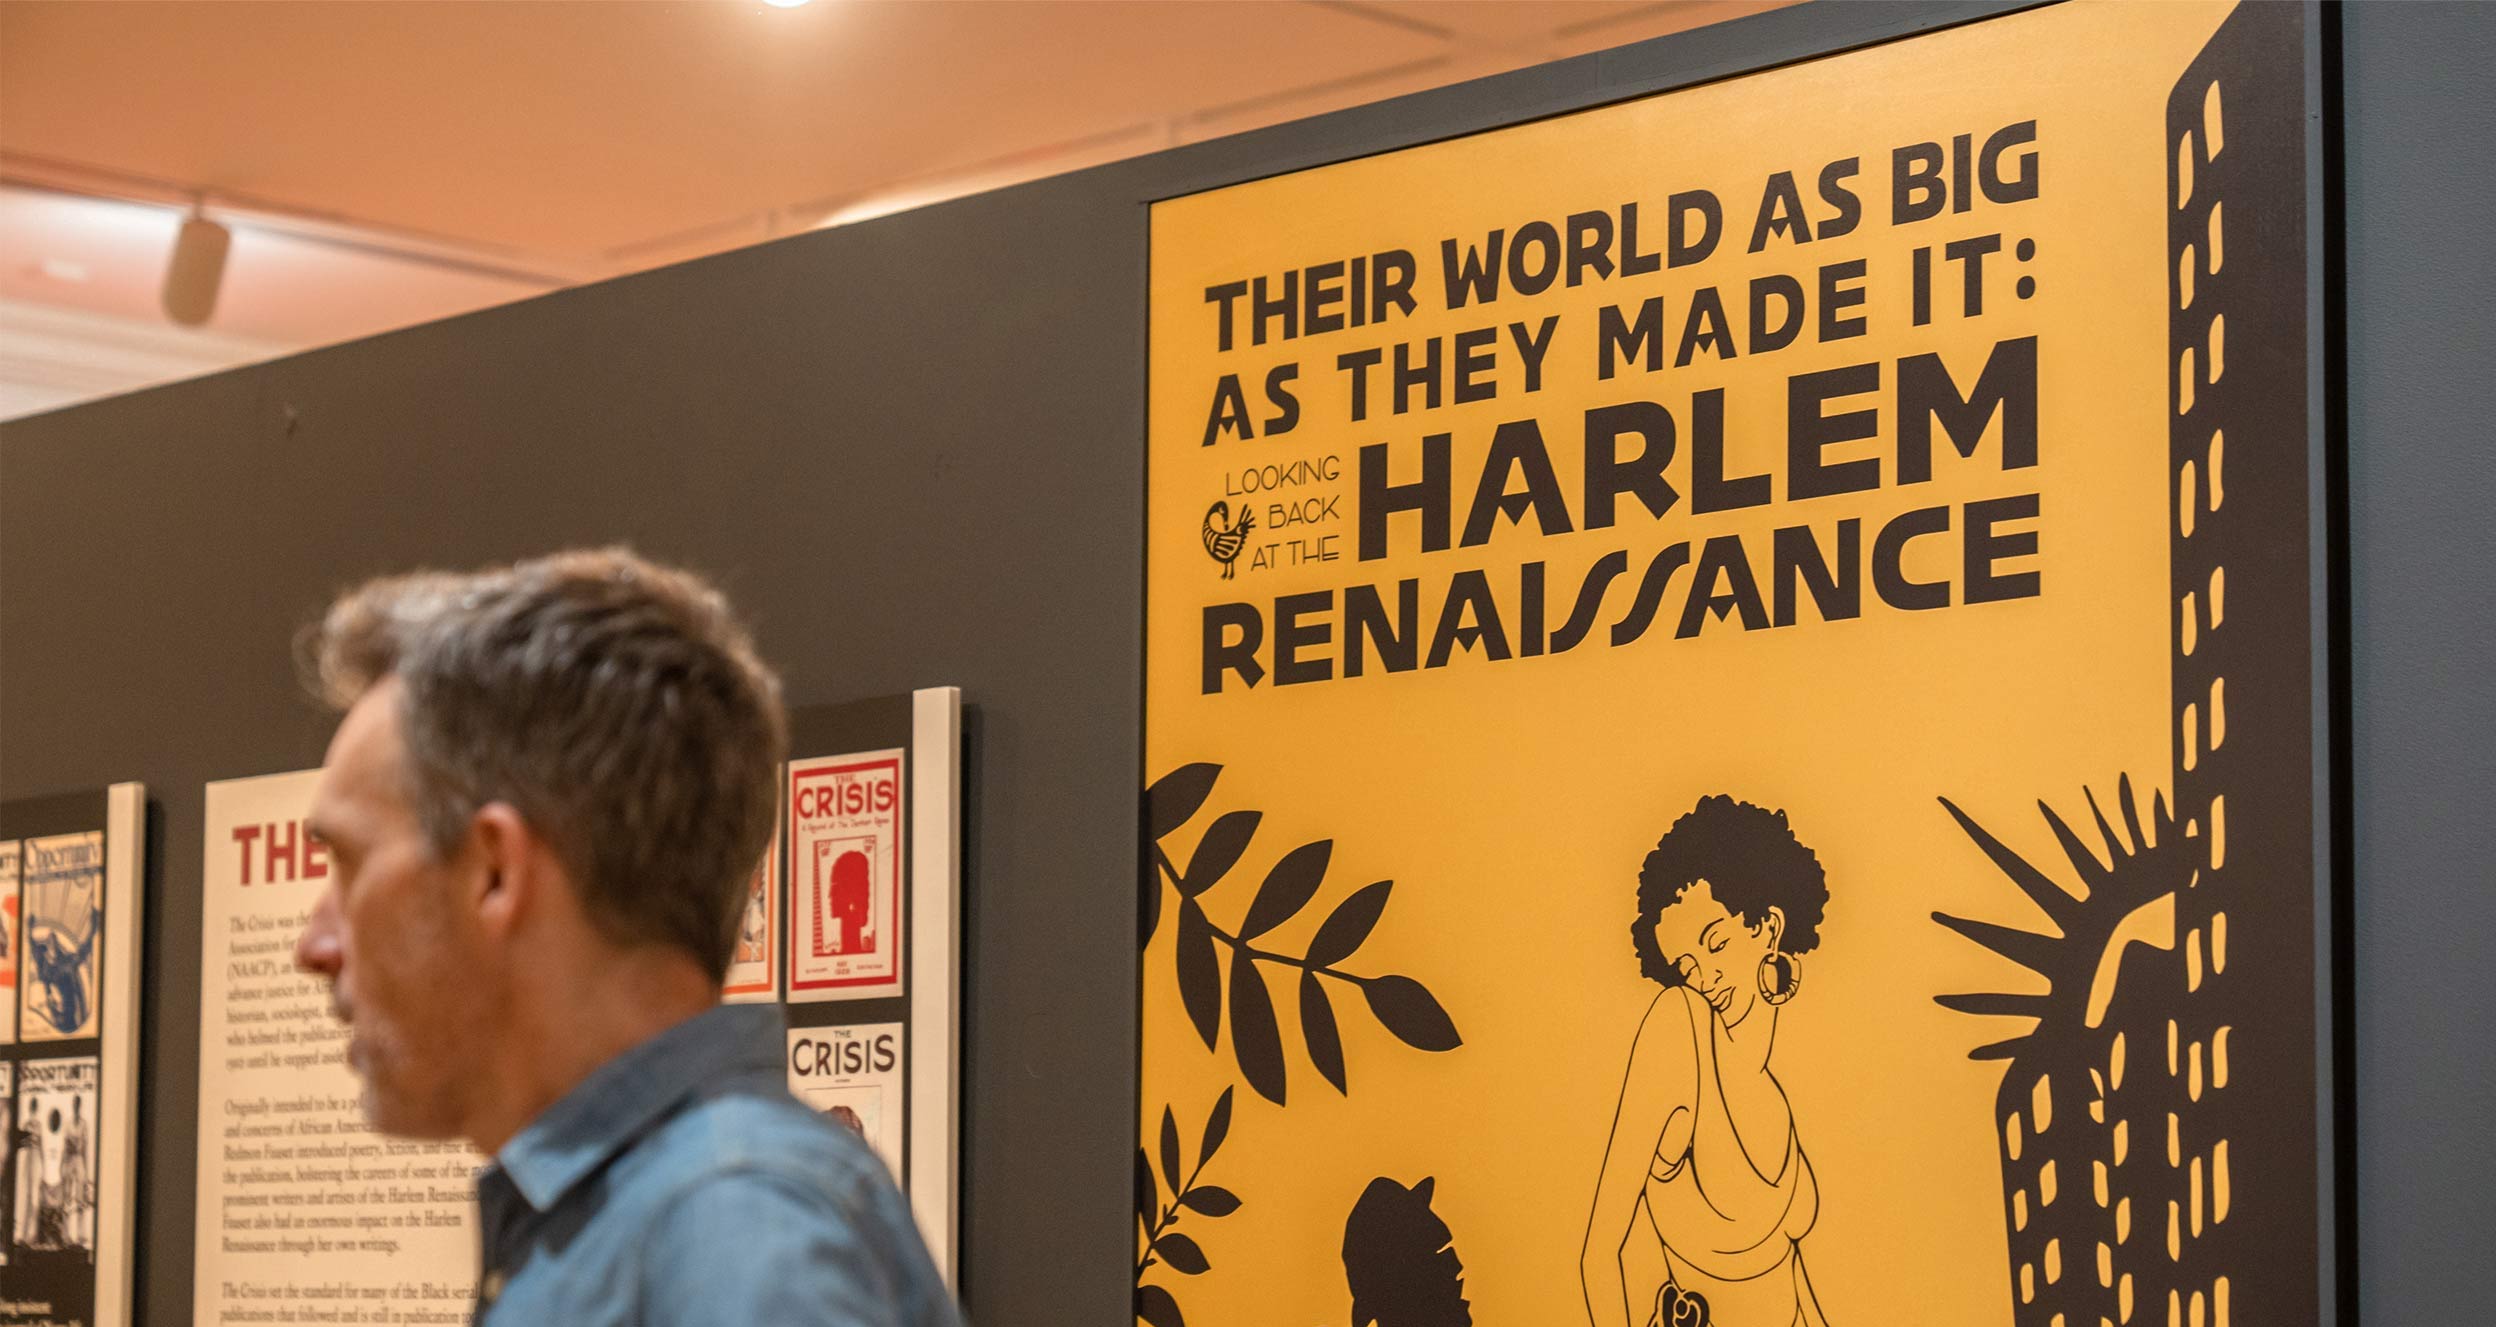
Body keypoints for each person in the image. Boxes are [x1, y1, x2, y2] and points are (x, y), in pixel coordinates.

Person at [293, 548, 959, 1326]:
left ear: (494, 872)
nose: (315, 943)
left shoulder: (735, 1236)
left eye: (347, 862)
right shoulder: (660, 1223)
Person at [1581, 795, 1834, 1327]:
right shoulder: (1681, 1030)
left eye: (1715, 944)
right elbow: (1601, 1254)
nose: (1702, 978)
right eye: (1685, 965)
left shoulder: (1773, 1097)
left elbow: (1792, 1282)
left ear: (1767, 926)